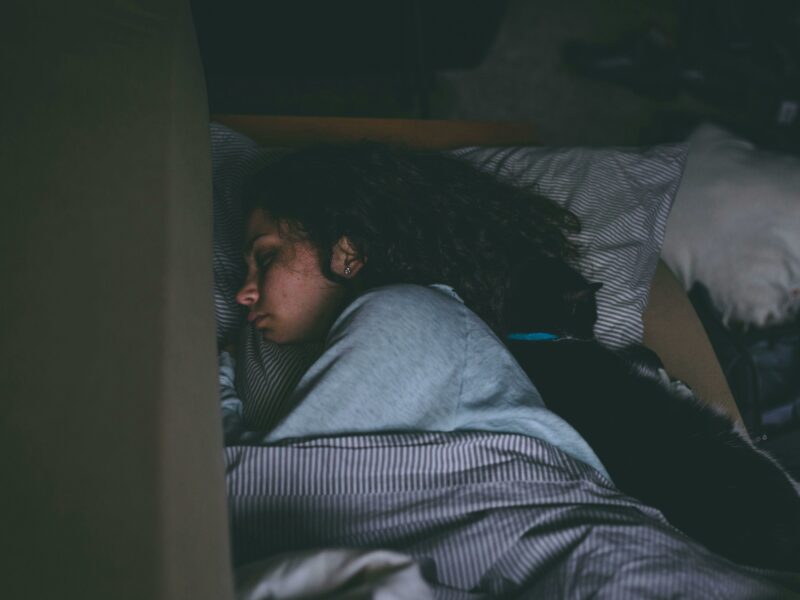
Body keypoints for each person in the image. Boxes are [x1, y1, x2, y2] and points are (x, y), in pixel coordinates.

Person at [219, 142, 609, 479]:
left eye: (266, 258)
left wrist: (218, 380)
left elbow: (263, 482)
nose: (243, 293)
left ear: (347, 253)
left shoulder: (408, 313)